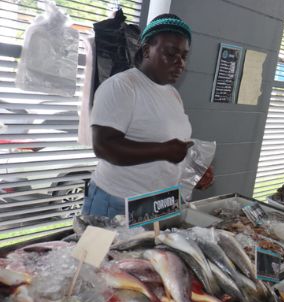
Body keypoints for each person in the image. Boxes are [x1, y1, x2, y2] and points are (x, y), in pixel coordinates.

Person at [82, 14, 212, 218]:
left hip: (157, 203)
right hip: (116, 202)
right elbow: (104, 147)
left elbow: (175, 144)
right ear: (146, 50)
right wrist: (164, 151)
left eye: (184, 56)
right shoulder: (122, 87)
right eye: (171, 53)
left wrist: (195, 169)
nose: (180, 63)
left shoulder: (172, 93)